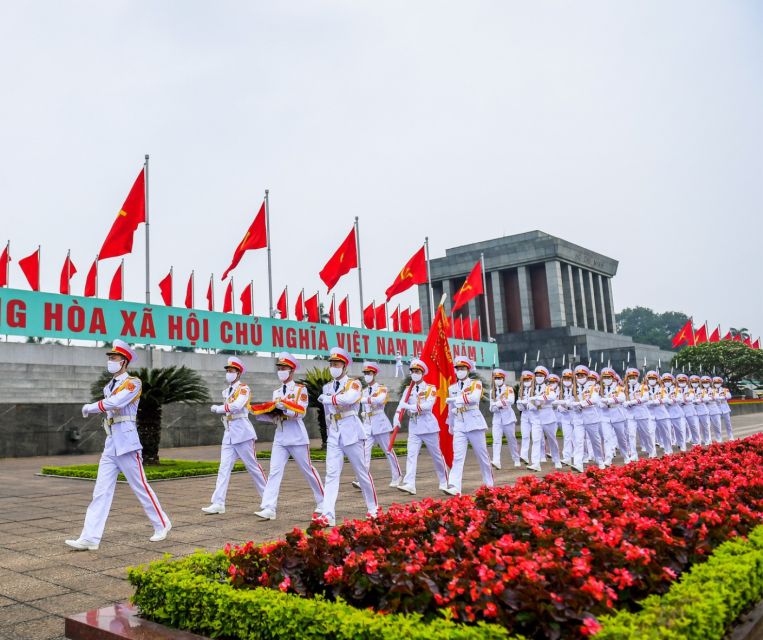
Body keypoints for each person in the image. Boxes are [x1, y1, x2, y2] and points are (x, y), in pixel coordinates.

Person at [66, 340, 171, 550]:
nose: (110, 361)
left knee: (140, 486)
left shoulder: (133, 383)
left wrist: (90, 407)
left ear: (124, 361)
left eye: (113, 358)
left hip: (127, 442)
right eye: (109, 358)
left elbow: (116, 403)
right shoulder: (108, 386)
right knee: (101, 491)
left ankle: (162, 524)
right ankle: (90, 538)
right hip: (112, 441)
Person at [253, 352, 324, 520]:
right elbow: (275, 415)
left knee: (308, 470)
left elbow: (301, 412)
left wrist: (284, 408)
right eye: (279, 368)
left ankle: (323, 501)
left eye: (284, 368)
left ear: (291, 371)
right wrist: (266, 414)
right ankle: (269, 507)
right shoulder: (277, 392)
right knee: (274, 472)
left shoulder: (300, 389)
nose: (281, 371)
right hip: (280, 434)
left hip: (297, 436)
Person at [317, 347, 378, 526]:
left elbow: (349, 399)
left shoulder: (354, 383)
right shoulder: (327, 386)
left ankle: (373, 507)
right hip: (335, 431)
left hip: (351, 430)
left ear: (345, 366)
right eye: (331, 364)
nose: (333, 367)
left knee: (361, 472)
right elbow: (328, 413)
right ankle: (328, 515)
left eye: (336, 364)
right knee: (331, 474)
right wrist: (329, 434)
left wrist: (328, 399)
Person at [201, 356, 267, 515]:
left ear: (238, 373)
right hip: (229, 432)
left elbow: (237, 406)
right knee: (224, 468)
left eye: (232, 371)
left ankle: (268, 501)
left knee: (253, 467)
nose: (229, 373)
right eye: (228, 371)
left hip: (243, 432)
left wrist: (219, 408)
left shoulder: (243, 388)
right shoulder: (227, 391)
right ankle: (218, 503)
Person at [395, 358, 450, 495]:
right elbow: (401, 404)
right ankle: (410, 483)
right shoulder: (408, 389)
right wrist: (396, 416)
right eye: (412, 371)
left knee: (436, 455)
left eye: (417, 371)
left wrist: (408, 407)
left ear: (422, 373)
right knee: (411, 455)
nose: (414, 373)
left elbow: (427, 406)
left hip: (428, 426)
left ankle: (444, 481)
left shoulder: (430, 388)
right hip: (414, 426)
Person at [444, 356, 493, 495]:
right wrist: (450, 424)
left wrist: (456, 399)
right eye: (458, 369)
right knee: (458, 456)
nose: (460, 371)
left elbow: (474, 398)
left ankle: (489, 484)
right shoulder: (452, 388)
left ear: (468, 370)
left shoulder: (475, 383)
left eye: (463, 368)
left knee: (482, 455)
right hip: (459, 422)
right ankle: (454, 486)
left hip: (474, 422)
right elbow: (450, 408)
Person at [359, 361, 402, 487]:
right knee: (365, 451)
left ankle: (397, 475)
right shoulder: (365, 390)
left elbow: (379, 400)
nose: (367, 375)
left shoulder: (381, 388)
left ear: (374, 374)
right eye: (365, 373)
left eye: (369, 373)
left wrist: (364, 399)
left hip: (380, 423)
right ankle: (363, 479)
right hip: (367, 424)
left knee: (388, 451)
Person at [599, 367, 633, 462]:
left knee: (621, 438)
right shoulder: (601, 389)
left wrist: (608, 400)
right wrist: (602, 403)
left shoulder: (618, 388)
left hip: (617, 415)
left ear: (613, 378)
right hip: (605, 416)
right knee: (607, 438)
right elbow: (598, 402)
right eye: (604, 377)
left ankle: (626, 456)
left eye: (608, 377)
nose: (606, 379)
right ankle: (608, 459)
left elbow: (622, 398)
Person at [489, 368, 520, 470]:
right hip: (497, 418)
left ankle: (516, 459)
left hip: (508, 418)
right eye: (496, 378)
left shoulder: (509, 389)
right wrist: (496, 406)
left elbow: (510, 401)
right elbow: (491, 408)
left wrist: (497, 404)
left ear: (503, 379)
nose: (498, 379)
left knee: (511, 439)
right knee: (496, 440)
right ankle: (496, 461)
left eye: (499, 378)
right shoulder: (491, 391)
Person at [577, 365, 606, 470]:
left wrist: (582, 403)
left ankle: (600, 459)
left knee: (595, 440)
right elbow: (570, 402)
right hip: (578, 418)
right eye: (578, 376)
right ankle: (578, 463)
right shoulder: (574, 388)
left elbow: (594, 400)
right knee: (579, 440)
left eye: (582, 375)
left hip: (591, 417)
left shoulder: (593, 387)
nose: (580, 377)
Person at [623, 368, 655, 458]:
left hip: (641, 414)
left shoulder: (642, 387)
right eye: (630, 377)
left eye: (634, 377)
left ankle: (651, 451)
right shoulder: (625, 388)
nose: (632, 379)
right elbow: (622, 399)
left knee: (646, 434)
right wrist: (625, 403)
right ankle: (634, 454)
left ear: (637, 377)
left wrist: (632, 402)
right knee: (631, 435)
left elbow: (645, 398)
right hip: (630, 415)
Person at [645, 370, 672, 454]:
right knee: (650, 433)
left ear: (657, 379)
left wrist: (656, 401)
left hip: (662, 413)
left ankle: (668, 450)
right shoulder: (644, 389)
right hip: (650, 414)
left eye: (653, 378)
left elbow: (667, 399)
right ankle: (652, 453)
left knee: (666, 433)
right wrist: (648, 402)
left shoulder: (662, 389)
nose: (651, 380)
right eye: (650, 378)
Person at [662, 373, 688, 452]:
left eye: (668, 380)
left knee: (679, 430)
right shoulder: (661, 390)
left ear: (671, 381)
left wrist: (672, 400)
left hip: (676, 412)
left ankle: (682, 445)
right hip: (665, 412)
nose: (667, 382)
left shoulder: (677, 389)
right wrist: (666, 400)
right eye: (665, 381)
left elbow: (680, 398)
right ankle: (668, 448)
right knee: (667, 432)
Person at [515, 370, 535, 464]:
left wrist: (525, 403)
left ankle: (540, 456)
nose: (526, 381)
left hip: (534, 414)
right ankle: (524, 456)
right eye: (525, 379)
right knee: (525, 436)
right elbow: (519, 405)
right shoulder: (521, 390)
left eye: (528, 379)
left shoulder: (535, 389)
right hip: (525, 415)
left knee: (537, 438)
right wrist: (521, 403)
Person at [677, 373, 700, 446]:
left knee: (693, 426)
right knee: (681, 427)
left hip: (689, 410)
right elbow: (675, 398)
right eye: (680, 381)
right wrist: (682, 400)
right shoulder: (676, 390)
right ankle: (682, 442)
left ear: (686, 382)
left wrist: (682, 400)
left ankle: (696, 441)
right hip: (680, 410)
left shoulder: (690, 390)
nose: (681, 382)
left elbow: (691, 398)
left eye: (683, 381)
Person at [691, 375, 712, 445]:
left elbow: (707, 398)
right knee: (695, 427)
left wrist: (698, 400)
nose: (695, 383)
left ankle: (708, 440)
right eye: (693, 382)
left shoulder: (703, 391)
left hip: (703, 410)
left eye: (696, 382)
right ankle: (697, 441)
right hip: (694, 411)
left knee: (705, 427)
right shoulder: (689, 391)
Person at [714, 376, 734, 440]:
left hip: (725, 408)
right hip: (717, 408)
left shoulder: (725, 390)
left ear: (721, 383)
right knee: (717, 425)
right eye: (716, 382)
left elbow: (729, 396)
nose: (717, 383)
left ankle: (731, 436)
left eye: (718, 382)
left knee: (728, 423)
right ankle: (719, 438)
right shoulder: (712, 390)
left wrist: (721, 397)